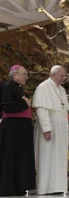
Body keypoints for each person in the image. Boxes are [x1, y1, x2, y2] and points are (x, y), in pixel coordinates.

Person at [32, 65, 69, 195]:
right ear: (53, 74)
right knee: (47, 156)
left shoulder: (62, 90)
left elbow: (64, 109)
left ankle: (58, 186)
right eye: (61, 76)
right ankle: (45, 187)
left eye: (64, 76)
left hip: (61, 128)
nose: (63, 79)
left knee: (60, 158)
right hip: (50, 127)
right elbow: (42, 110)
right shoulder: (43, 87)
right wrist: (46, 129)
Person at [0, 65, 36, 196]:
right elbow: (7, 108)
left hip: (21, 128)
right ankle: (8, 188)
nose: (26, 76)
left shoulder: (19, 88)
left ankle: (19, 187)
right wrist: (25, 103)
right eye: (24, 74)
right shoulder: (7, 87)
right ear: (15, 75)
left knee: (21, 157)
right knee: (11, 157)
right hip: (12, 128)